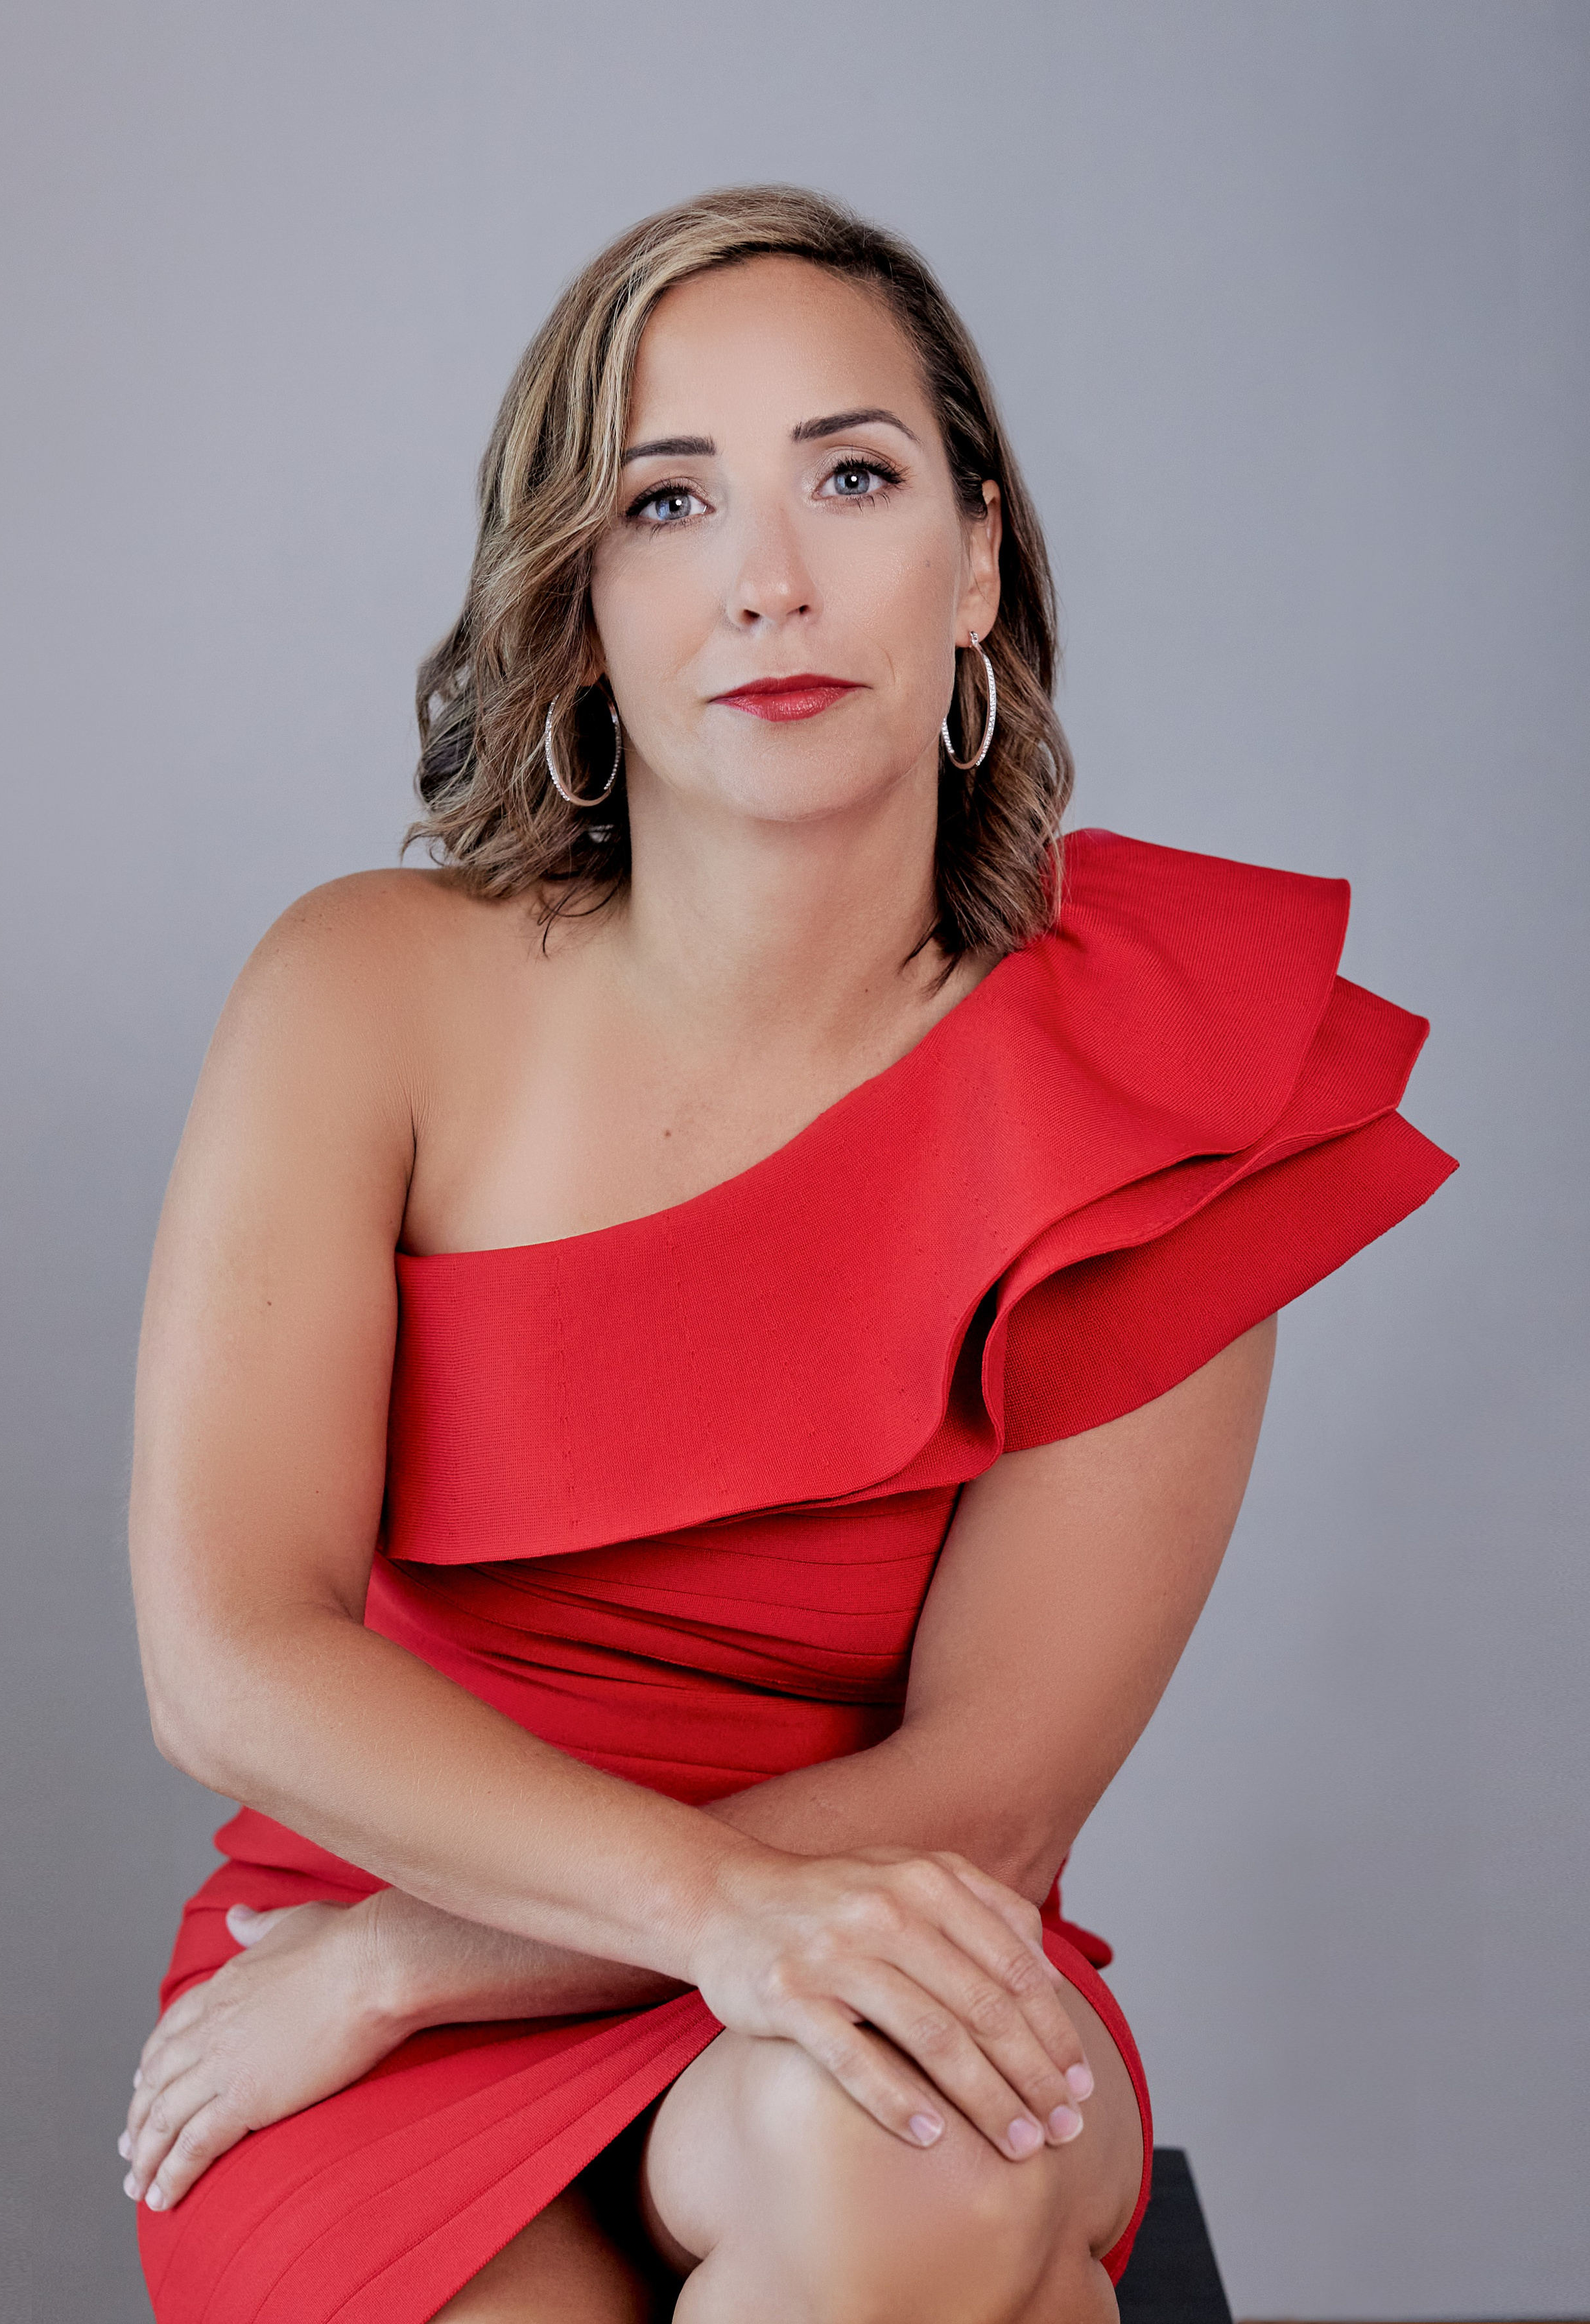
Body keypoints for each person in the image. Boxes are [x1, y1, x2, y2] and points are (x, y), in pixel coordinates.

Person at [121, 185, 1454, 2324]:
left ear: (977, 560)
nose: (769, 581)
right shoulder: (362, 989)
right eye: (669, 503)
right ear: (579, 599)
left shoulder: (1172, 1076)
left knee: (904, 2168)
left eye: (852, 476)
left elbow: (990, 1795)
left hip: (849, 1928)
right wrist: (644, 1915)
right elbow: (226, 1659)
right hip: (374, 1976)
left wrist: (414, 1962)